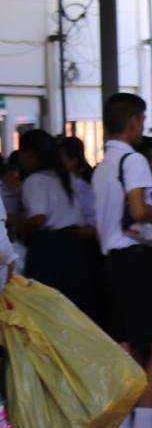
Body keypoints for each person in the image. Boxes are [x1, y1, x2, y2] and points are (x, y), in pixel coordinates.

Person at [94, 93, 152, 427]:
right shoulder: (132, 160)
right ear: (134, 122)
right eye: (142, 121)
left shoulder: (102, 167)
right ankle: (144, 421)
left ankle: (122, 419)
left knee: (125, 344)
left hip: (112, 262)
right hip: (137, 261)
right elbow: (137, 210)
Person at [17, 128, 98, 317]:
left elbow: (39, 218)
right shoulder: (64, 177)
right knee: (73, 309)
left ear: (28, 154)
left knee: (48, 312)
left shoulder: (35, 180)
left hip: (49, 250)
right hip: (74, 247)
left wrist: (18, 224)